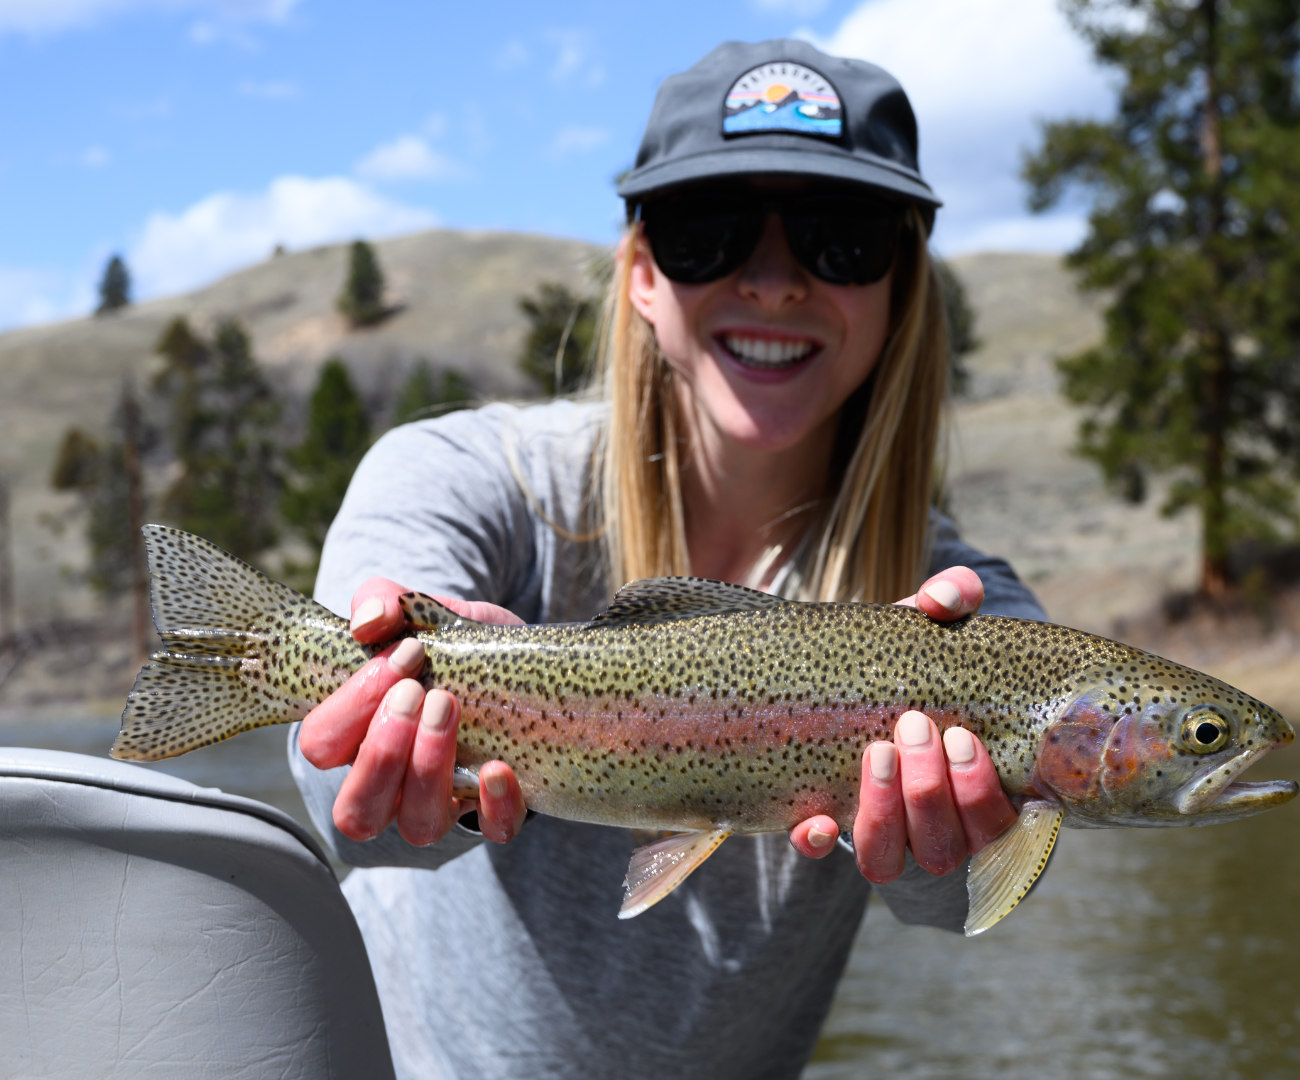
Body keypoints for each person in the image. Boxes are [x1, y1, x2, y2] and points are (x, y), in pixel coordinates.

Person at [288, 38, 1049, 1080]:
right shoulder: (460, 477)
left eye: (842, 238)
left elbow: (957, 903)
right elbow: (333, 803)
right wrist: (393, 738)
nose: (776, 282)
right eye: (711, 232)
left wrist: (952, 844)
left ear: (905, 287)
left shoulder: (964, 619)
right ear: (641, 274)